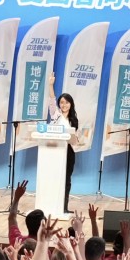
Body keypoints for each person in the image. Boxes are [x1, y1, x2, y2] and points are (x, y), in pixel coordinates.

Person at [47, 75, 79, 213]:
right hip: (55, 150)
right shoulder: (56, 115)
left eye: (66, 103)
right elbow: (51, 100)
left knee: (67, 180)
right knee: (54, 178)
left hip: (69, 152)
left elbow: (74, 137)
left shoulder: (74, 120)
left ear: (71, 104)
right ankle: (53, 205)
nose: (64, 105)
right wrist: (50, 85)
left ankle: (64, 207)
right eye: (62, 103)